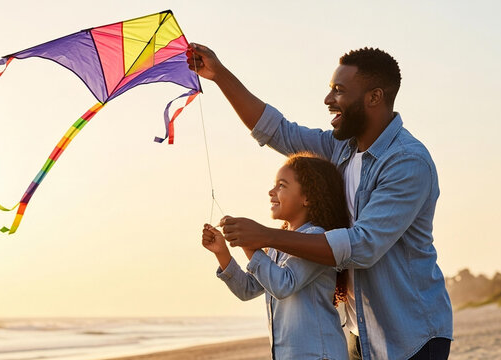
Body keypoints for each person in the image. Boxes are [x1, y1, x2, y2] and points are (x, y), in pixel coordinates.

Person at [188, 44, 453, 360]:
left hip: (411, 335)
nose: (328, 100)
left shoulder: (407, 162)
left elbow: (363, 246)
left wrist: (266, 236)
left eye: (339, 91)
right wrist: (218, 75)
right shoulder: (339, 149)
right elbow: (277, 131)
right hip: (359, 333)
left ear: (374, 97)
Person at [202, 153, 350, 360]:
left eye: (281, 185)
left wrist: (249, 244)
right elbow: (248, 289)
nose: (271, 192)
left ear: (307, 197)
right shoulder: (275, 245)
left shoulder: (316, 239)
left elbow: (283, 284)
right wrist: (222, 252)